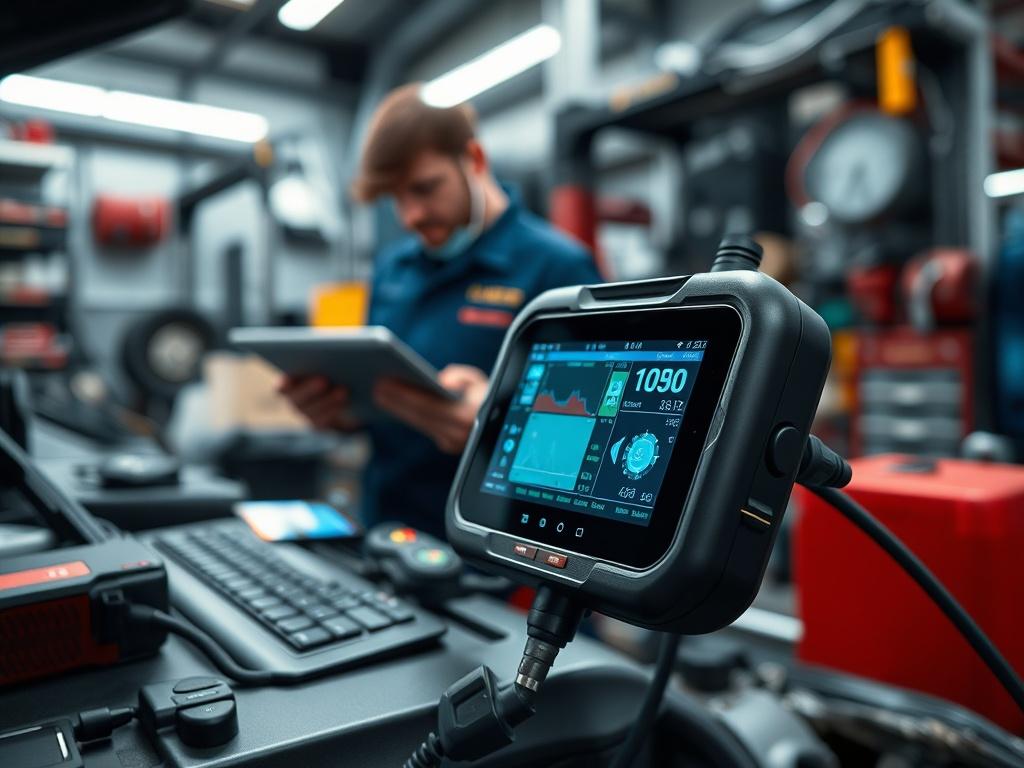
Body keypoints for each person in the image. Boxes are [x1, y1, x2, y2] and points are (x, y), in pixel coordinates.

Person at [280, 84, 602, 539]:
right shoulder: (394, 267)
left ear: (474, 160)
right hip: (390, 535)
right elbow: (376, 397)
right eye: (396, 197)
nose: (410, 215)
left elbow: (596, 441)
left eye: (424, 189)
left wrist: (495, 426)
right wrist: (335, 412)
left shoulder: (560, 266)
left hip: (503, 556)